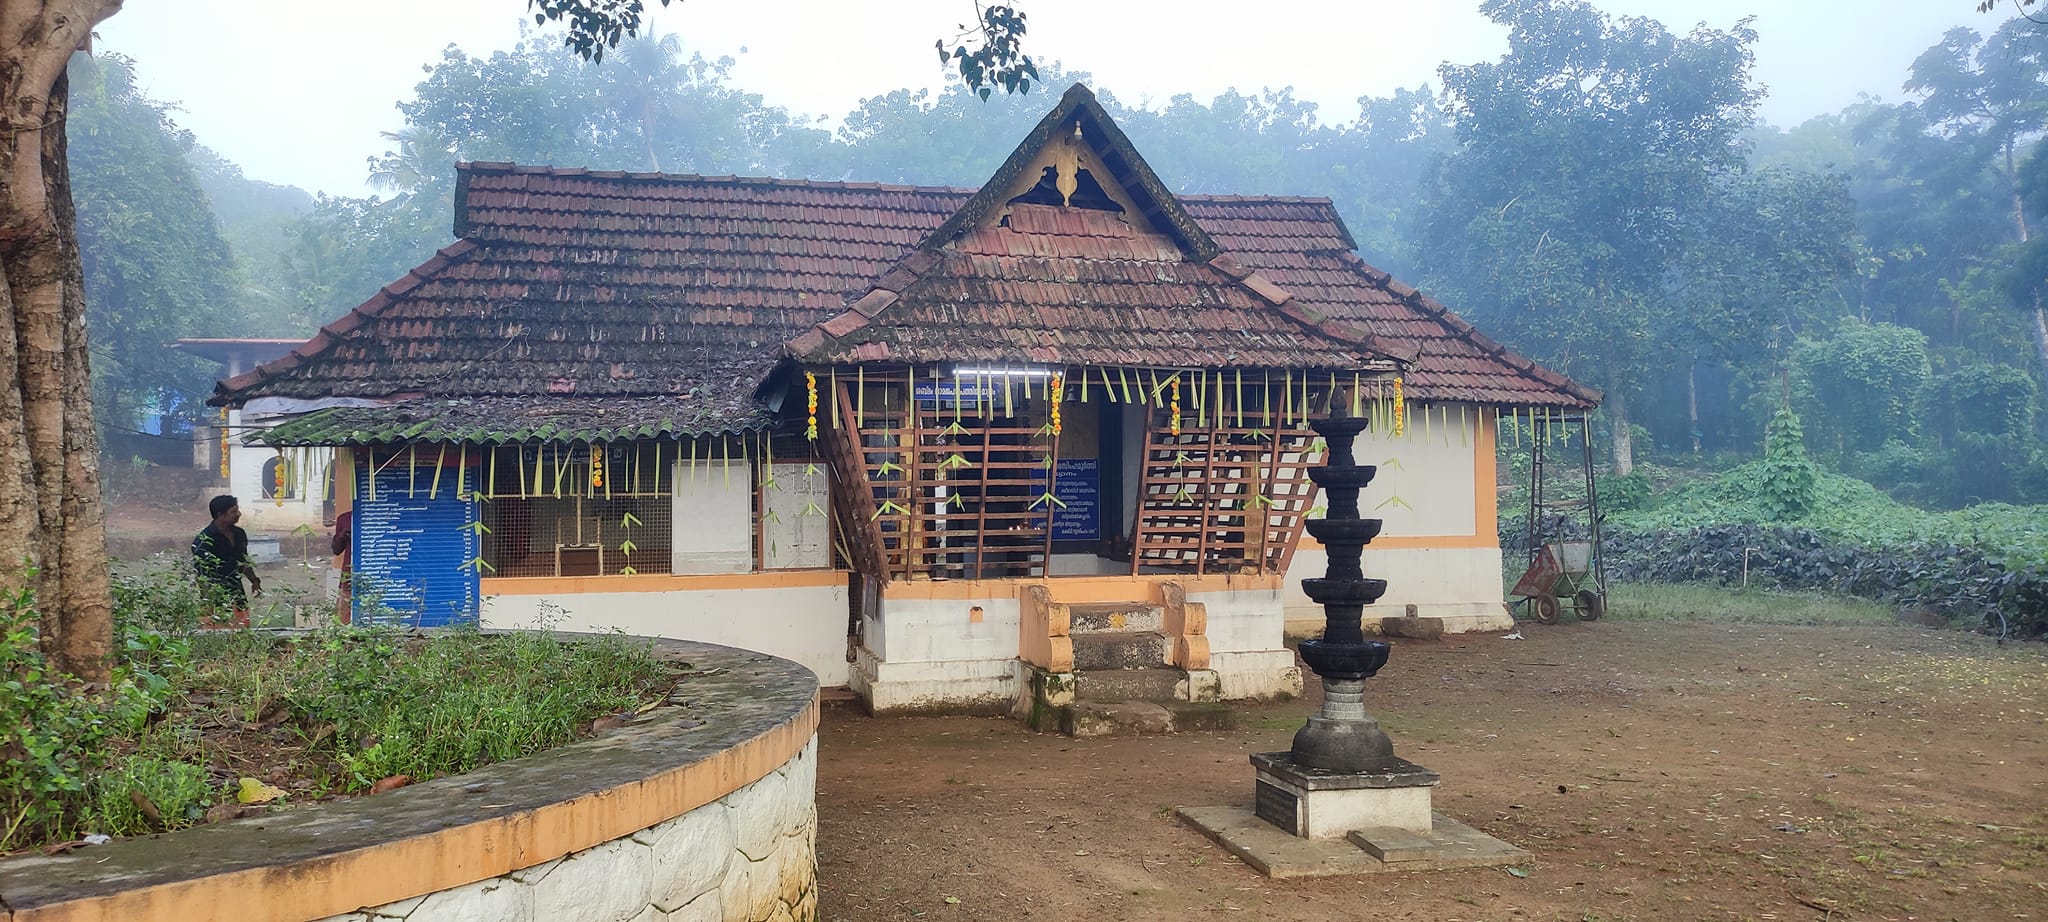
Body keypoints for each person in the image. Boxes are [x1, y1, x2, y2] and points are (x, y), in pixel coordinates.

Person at [192, 494, 261, 628]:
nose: (239, 514)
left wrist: (254, 580)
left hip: (238, 593)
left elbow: (243, 561)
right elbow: (202, 575)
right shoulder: (203, 541)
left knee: (242, 634)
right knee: (216, 635)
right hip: (215, 597)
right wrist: (209, 602)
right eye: (233, 512)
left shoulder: (239, 534)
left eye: (237, 510)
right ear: (220, 515)